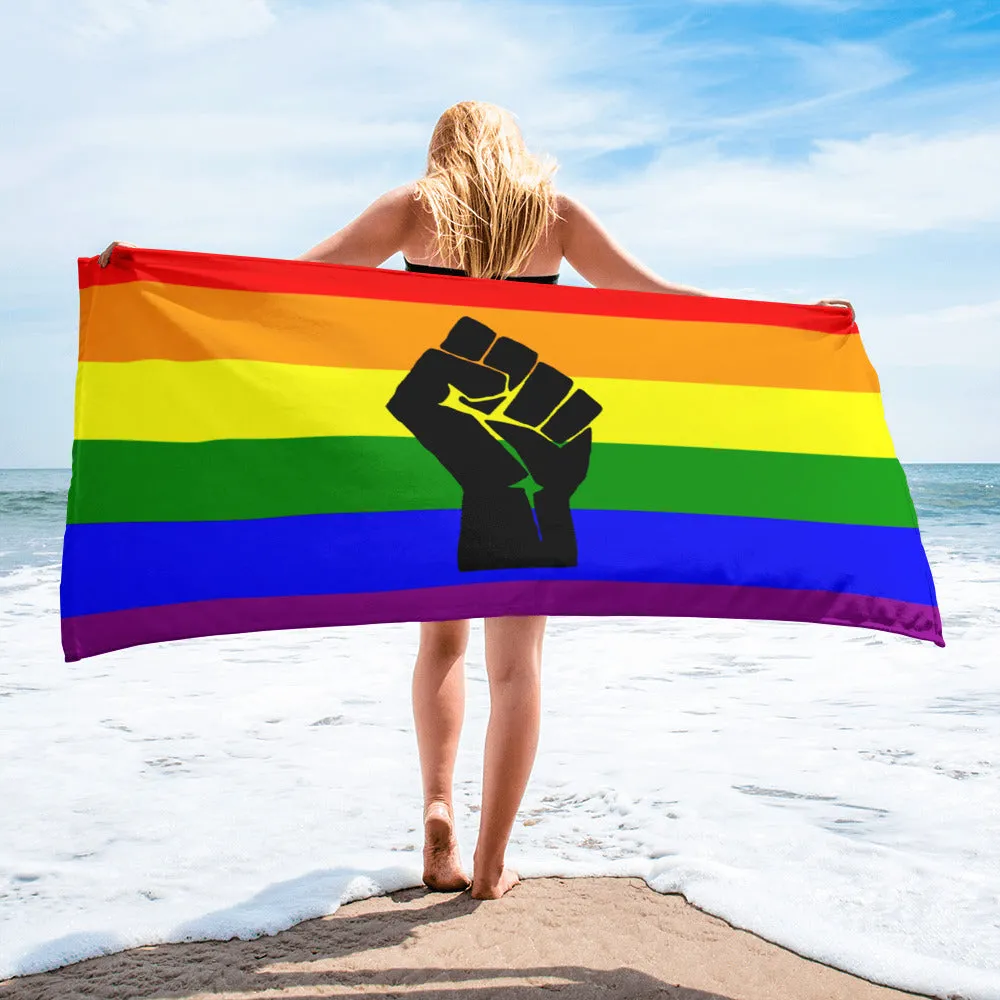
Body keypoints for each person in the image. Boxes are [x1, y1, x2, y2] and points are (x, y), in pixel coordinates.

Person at [99, 99, 852, 902]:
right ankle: (490, 867)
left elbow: (290, 286)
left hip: (425, 462)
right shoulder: (553, 216)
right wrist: (789, 324)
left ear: (441, 149)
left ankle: (436, 808)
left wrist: (152, 276)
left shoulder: (413, 209)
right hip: (525, 463)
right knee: (518, 668)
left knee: (441, 646)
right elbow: (660, 300)